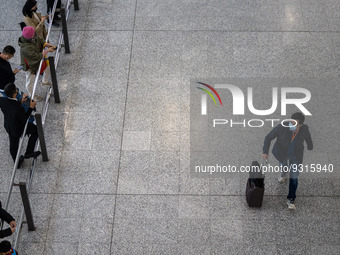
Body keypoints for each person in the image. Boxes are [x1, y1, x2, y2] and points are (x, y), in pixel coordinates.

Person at [262, 112, 313, 210]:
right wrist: (265, 152)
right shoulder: (282, 127)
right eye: (291, 122)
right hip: (283, 154)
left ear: (300, 125)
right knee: (283, 165)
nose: (292, 124)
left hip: (295, 156)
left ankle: (291, 199)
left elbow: (308, 137)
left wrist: (310, 145)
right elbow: (268, 137)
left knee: (294, 177)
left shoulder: (304, 129)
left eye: (295, 123)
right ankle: (283, 174)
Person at [0, 83, 41, 168]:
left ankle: (17, 163)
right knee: (36, 130)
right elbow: (24, 118)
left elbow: (12, 105)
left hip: (9, 126)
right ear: (15, 93)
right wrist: (31, 107)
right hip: (18, 127)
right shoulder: (18, 108)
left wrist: (20, 101)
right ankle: (29, 152)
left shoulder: (2, 100)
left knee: (13, 146)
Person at [18, 26, 55, 101]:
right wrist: (47, 51)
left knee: (48, 67)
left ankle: (44, 81)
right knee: (30, 82)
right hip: (29, 66)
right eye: (33, 34)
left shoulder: (32, 36)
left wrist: (46, 44)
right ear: (29, 36)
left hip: (37, 61)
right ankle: (32, 96)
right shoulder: (25, 48)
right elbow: (36, 56)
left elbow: (40, 41)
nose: (35, 34)